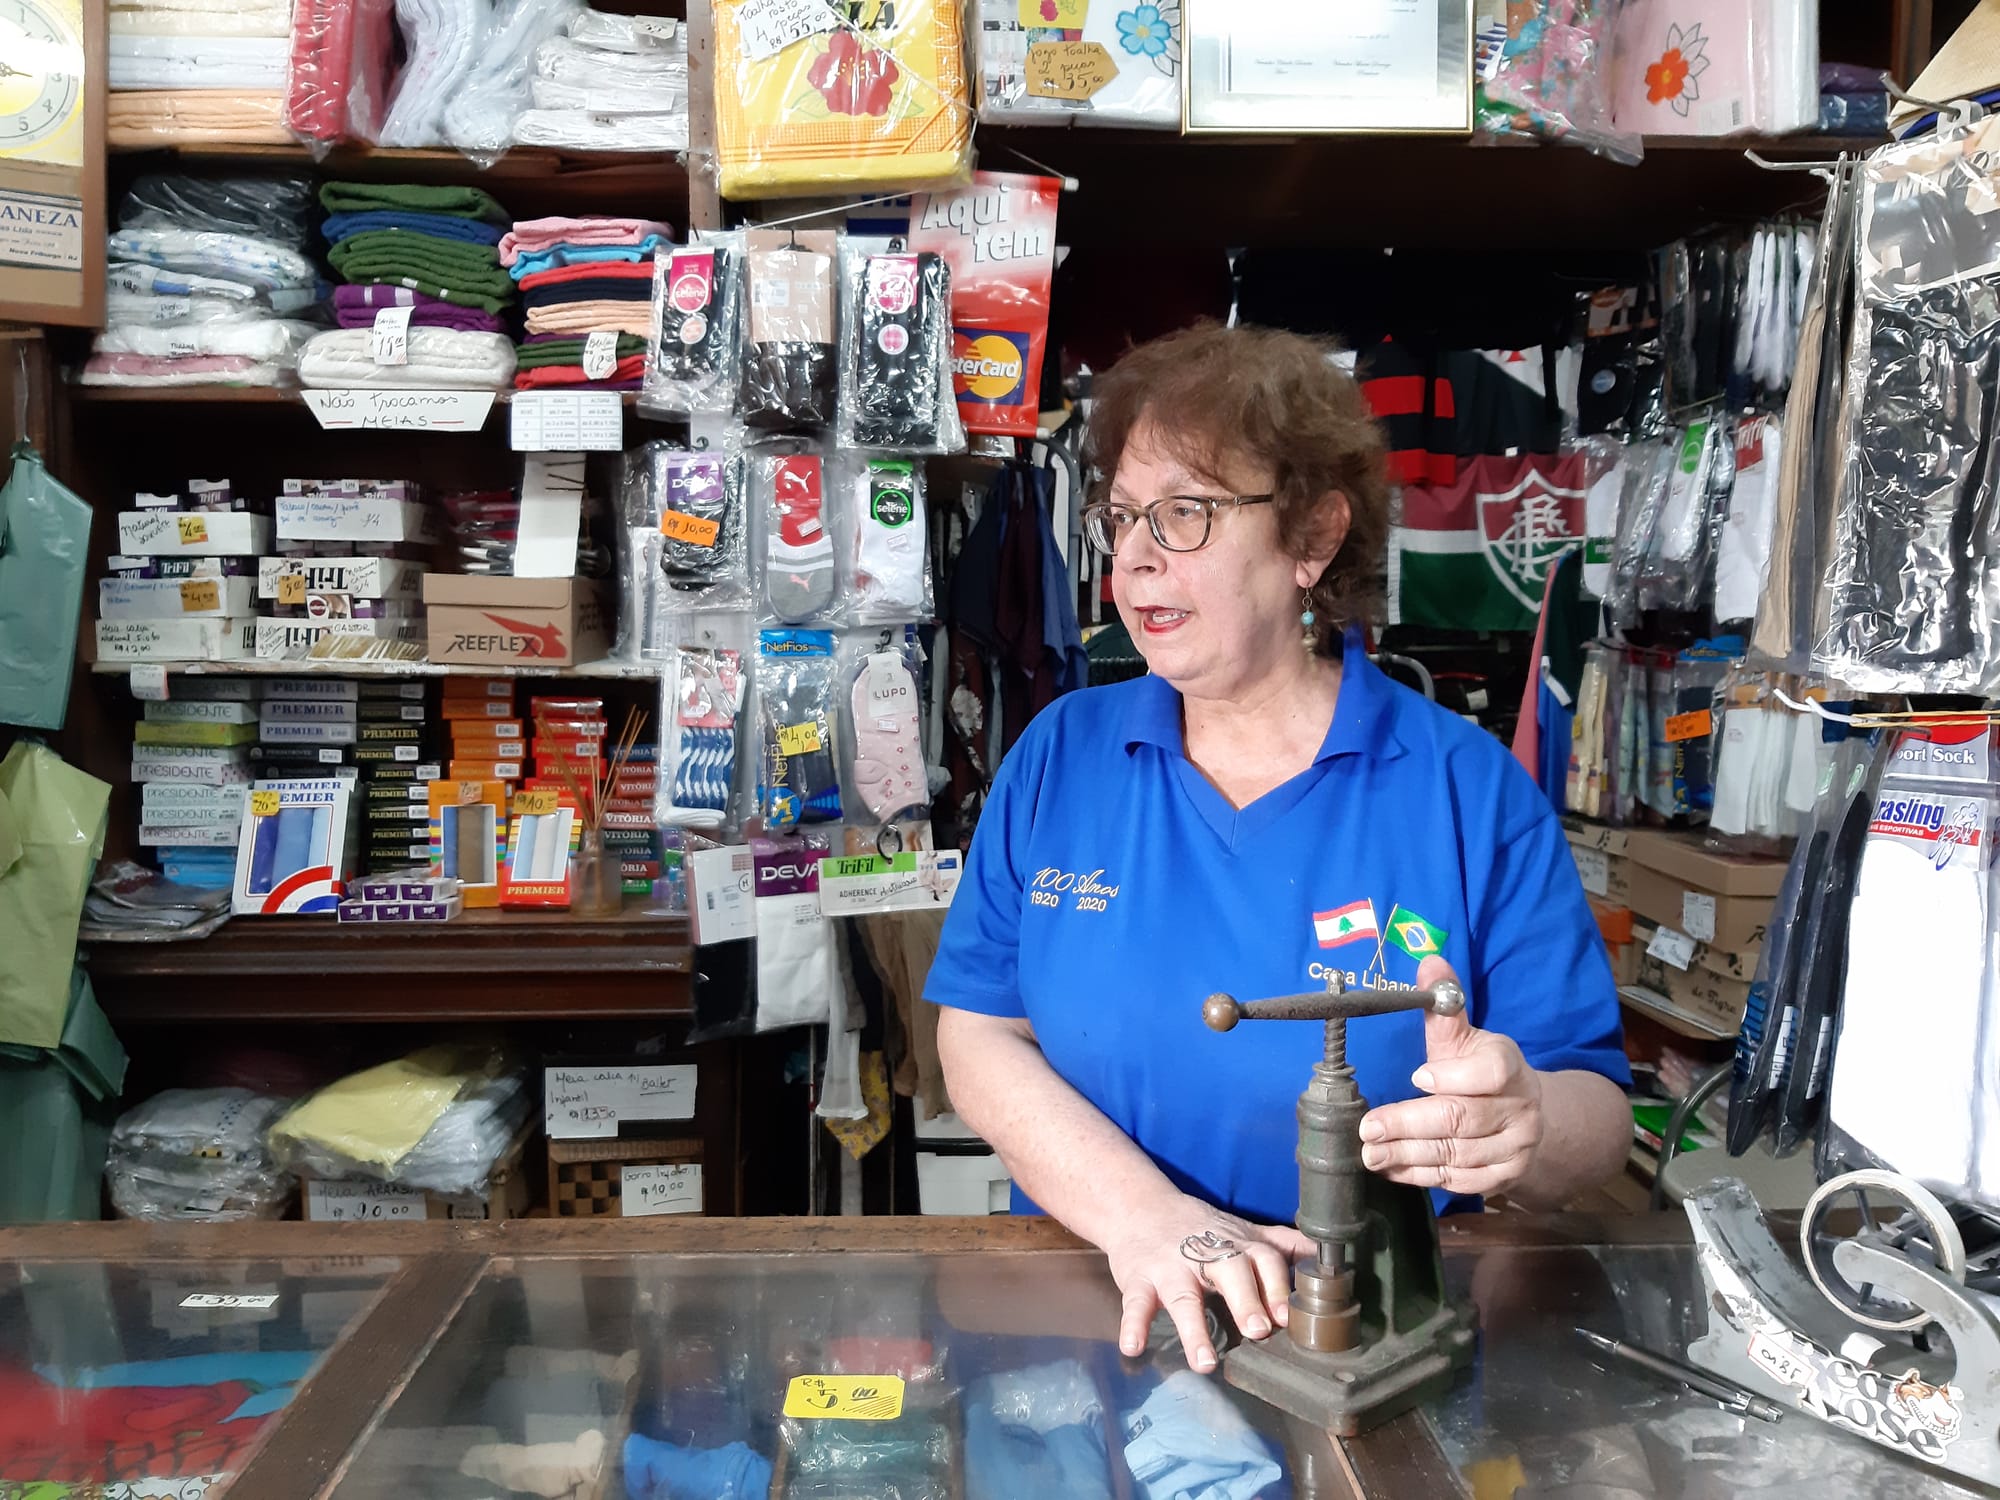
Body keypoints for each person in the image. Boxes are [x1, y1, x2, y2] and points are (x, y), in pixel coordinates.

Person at [922, 322, 1631, 1377]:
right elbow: (978, 1033)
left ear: (1311, 536)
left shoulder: (1464, 789)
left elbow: (1598, 1116)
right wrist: (1141, 1215)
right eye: (1122, 516)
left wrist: (1523, 1122)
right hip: (1106, 1314)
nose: (1134, 557)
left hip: (1372, 1341)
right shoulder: (1060, 756)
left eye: (1186, 514)